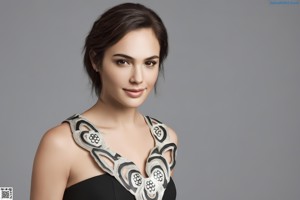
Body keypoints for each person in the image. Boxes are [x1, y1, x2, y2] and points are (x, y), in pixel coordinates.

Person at [30, 3, 178, 200]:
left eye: (149, 63)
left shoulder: (166, 139)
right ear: (95, 60)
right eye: (123, 62)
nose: (138, 78)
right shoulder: (61, 144)